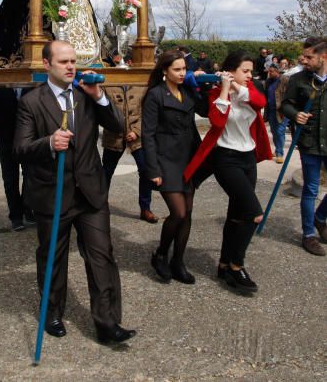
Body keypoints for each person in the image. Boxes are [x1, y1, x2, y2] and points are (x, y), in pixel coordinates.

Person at [14, 41, 136, 345]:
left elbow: (118, 126)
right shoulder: (31, 102)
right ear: (47, 65)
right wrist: (48, 143)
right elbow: (20, 149)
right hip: (52, 194)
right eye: (64, 62)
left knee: (101, 256)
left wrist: (101, 98)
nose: (71, 67)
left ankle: (107, 323)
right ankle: (52, 312)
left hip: (91, 192)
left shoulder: (86, 94)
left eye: (74, 61)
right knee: (53, 257)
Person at [184, 51, 272, 294]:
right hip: (226, 158)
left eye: (250, 71)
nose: (249, 75)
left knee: (236, 215)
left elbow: (261, 103)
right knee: (253, 214)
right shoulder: (215, 93)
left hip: (248, 158)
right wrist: (224, 89)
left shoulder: (251, 90)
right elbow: (218, 121)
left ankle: (223, 265)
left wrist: (236, 85)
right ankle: (237, 265)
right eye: (244, 70)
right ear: (230, 71)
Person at [142, 50, 208, 284]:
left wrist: (205, 83)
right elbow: (147, 135)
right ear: (164, 71)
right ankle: (160, 253)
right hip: (165, 159)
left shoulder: (188, 91)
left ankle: (178, 261)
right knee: (178, 212)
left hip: (188, 157)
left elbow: (206, 111)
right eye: (177, 69)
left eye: (184, 69)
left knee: (187, 213)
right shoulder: (155, 95)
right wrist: (153, 169)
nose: (182, 73)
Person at [281, 38, 327, 256]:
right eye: (304, 56)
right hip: (309, 142)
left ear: (323, 57)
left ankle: (320, 218)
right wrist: (295, 114)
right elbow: (286, 104)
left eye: (309, 57)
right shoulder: (298, 79)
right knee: (311, 189)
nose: (304, 60)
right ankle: (308, 235)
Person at [101, 85, 158, 224]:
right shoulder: (108, 84)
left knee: (145, 171)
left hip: (137, 138)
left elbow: (148, 112)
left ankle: (145, 208)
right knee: (106, 172)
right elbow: (103, 111)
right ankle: (100, 207)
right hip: (113, 137)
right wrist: (115, 126)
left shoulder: (143, 85)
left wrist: (137, 131)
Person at [0, 86, 34, 231]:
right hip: (5, 137)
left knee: (31, 175)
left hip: (29, 137)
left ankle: (28, 207)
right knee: (10, 178)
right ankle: (15, 216)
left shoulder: (32, 83)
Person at [265, 64, 287, 164]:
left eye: (272, 71)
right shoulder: (268, 82)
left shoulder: (284, 80)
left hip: (281, 111)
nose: (270, 73)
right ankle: (277, 149)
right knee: (274, 132)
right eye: (269, 71)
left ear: (277, 71)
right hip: (271, 110)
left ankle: (280, 153)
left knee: (280, 131)